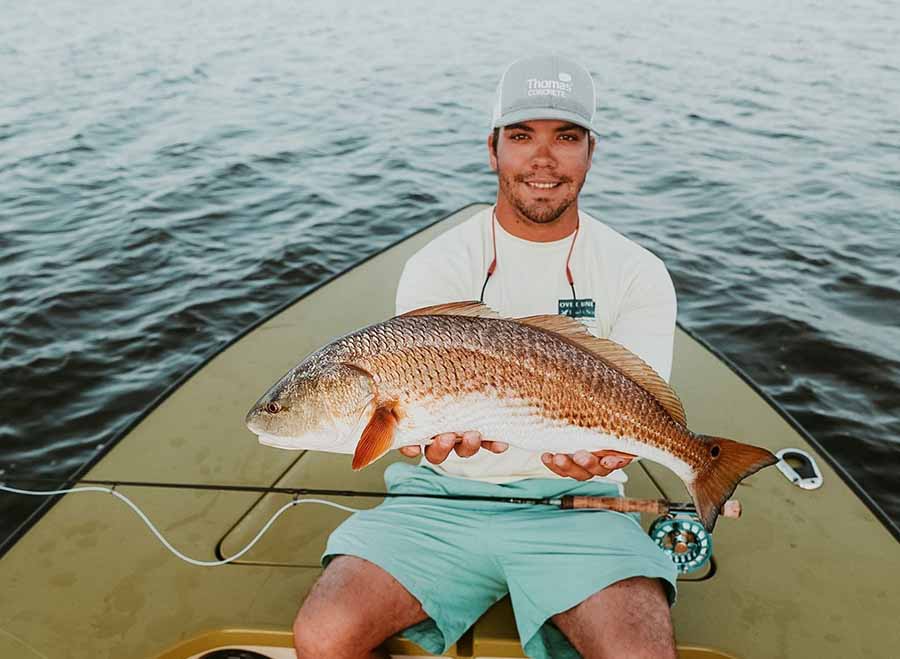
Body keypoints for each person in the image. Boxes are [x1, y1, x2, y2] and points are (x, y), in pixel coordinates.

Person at [293, 54, 679, 659]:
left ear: (590, 152)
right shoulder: (437, 265)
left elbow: (643, 405)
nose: (543, 159)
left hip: (584, 507)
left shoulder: (638, 273)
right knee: (322, 636)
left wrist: (614, 453)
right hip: (440, 498)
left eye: (566, 137)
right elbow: (410, 411)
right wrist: (422, 442)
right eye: (522, 136)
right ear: (493, 148)